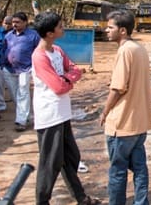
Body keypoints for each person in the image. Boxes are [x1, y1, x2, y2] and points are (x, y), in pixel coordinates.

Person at [31, 12, 101, 205]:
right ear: (49, 33)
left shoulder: (58, 51)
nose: (63, 28)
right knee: (50, 163)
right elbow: (59, 87)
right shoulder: (40, 56)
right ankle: (42, 201)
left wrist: (67, 78)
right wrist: (69, 80)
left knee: (70, 157)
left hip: (62, 113)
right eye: (60, 26)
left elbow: (75, 70)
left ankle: (81, 197)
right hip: (49, 114)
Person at [100, 10, 151, 205]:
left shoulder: (125, 51)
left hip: (122, 123)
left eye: (110, 27)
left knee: (118, 170)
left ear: (122, 30)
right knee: (140, 168)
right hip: (140, 123)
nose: (106, 31)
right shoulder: (139, 49)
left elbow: (117, 88)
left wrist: (105, 112)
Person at [3, 12, 40, 131]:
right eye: (13, 22)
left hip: (26, 69)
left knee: (23, 93)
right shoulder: (9, 36)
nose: (14, 24)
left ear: (25, 22)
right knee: (15, 94)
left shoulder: (33, 36)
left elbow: (38, 51)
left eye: (17, 22)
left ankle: (21, 121)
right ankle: (26, 116)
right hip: (9, 69)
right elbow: (4, 49)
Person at [0, 16, 13, 120]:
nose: (7, 25)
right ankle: (0, 105)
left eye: (9, 23)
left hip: (12, 63)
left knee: (13, 86)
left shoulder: (15, 34)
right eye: (5, 23)